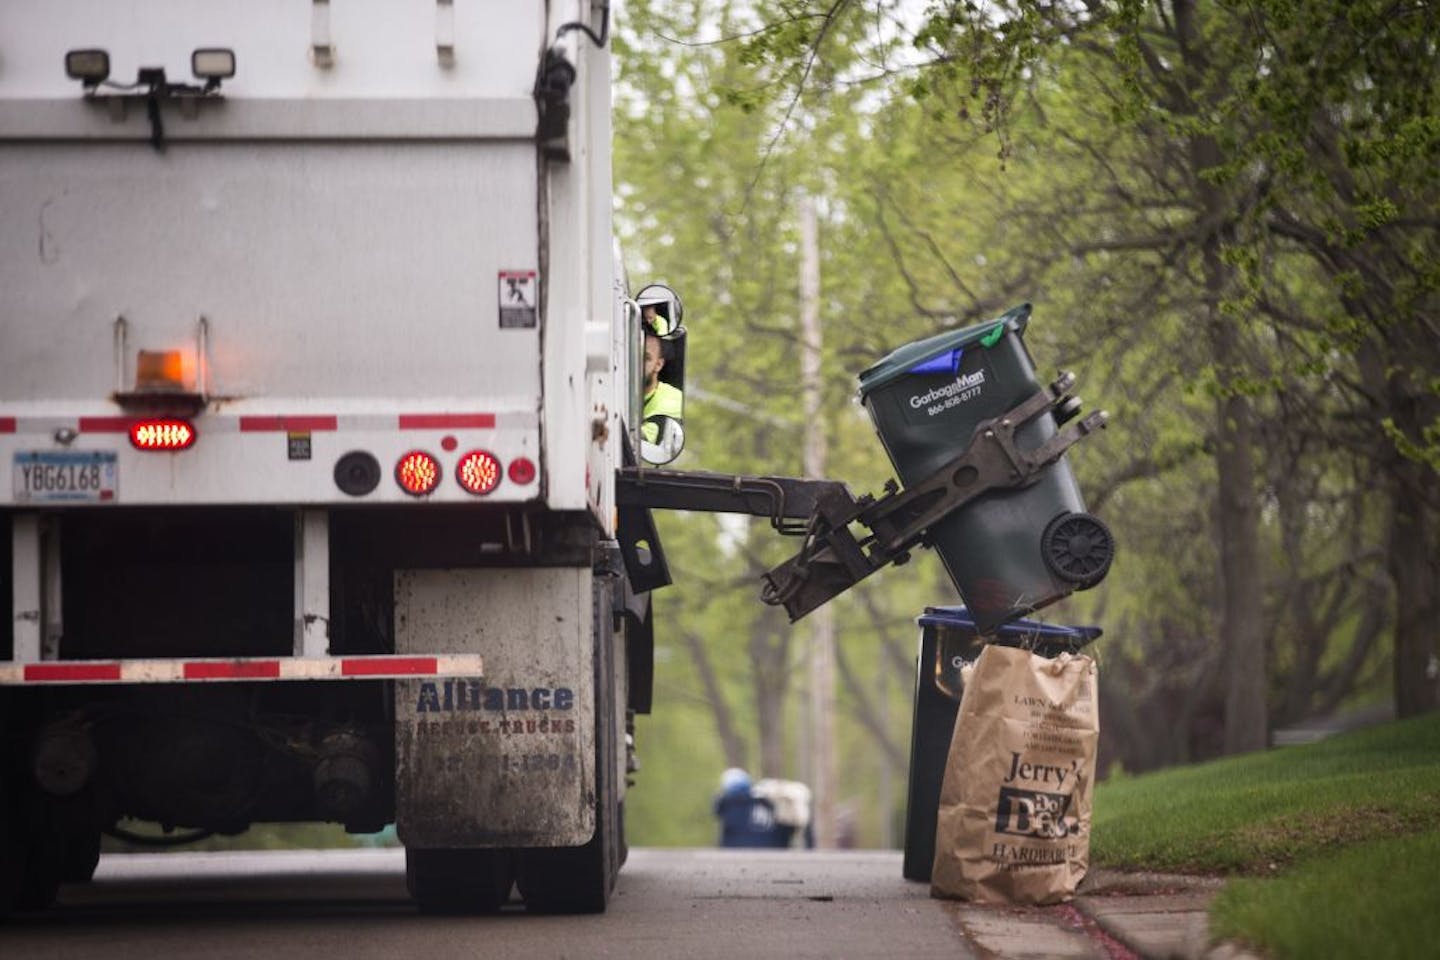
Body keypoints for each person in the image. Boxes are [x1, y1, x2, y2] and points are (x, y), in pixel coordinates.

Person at [713, 767, 782, 848]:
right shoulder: (768, 801)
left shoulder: (728, 803)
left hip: (737, 852)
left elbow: (717, 809)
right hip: (772, 851)